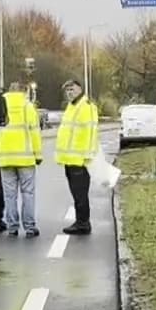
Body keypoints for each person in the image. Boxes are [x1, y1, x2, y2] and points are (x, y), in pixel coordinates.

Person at [0, 80, 42, 237]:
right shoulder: (27, 107)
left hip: (5, 159)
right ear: (23, 91)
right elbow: (34, 132)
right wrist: (37, 154)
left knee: (9, 195)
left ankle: (12, 226)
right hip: (25, 158)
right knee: (28, 193)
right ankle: (29, 227)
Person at [56, 79, 101, 235]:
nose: (69, 92)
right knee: (76, 194)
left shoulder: (86, 106)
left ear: (80, 89)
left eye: (72, 89)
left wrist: (87, 157)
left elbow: (90, 133)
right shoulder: (72, 106)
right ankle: (81, 221)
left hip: (80, 160)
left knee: (80, 194)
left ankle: (83, 223)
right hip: (70, 159)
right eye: (67, 90)